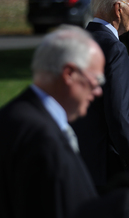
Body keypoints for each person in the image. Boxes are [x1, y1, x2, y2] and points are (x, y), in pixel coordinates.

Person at [0, 25, 107, 218]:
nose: (98, 90)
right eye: (96, 79)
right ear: (69, 74)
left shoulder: (12, 116)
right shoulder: (43, 139)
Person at [71, 0, 129, 190]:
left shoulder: (74, 44)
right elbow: (119, 113)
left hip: (75, 160)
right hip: (109, 168)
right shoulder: (114, 51)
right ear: (118, 8)